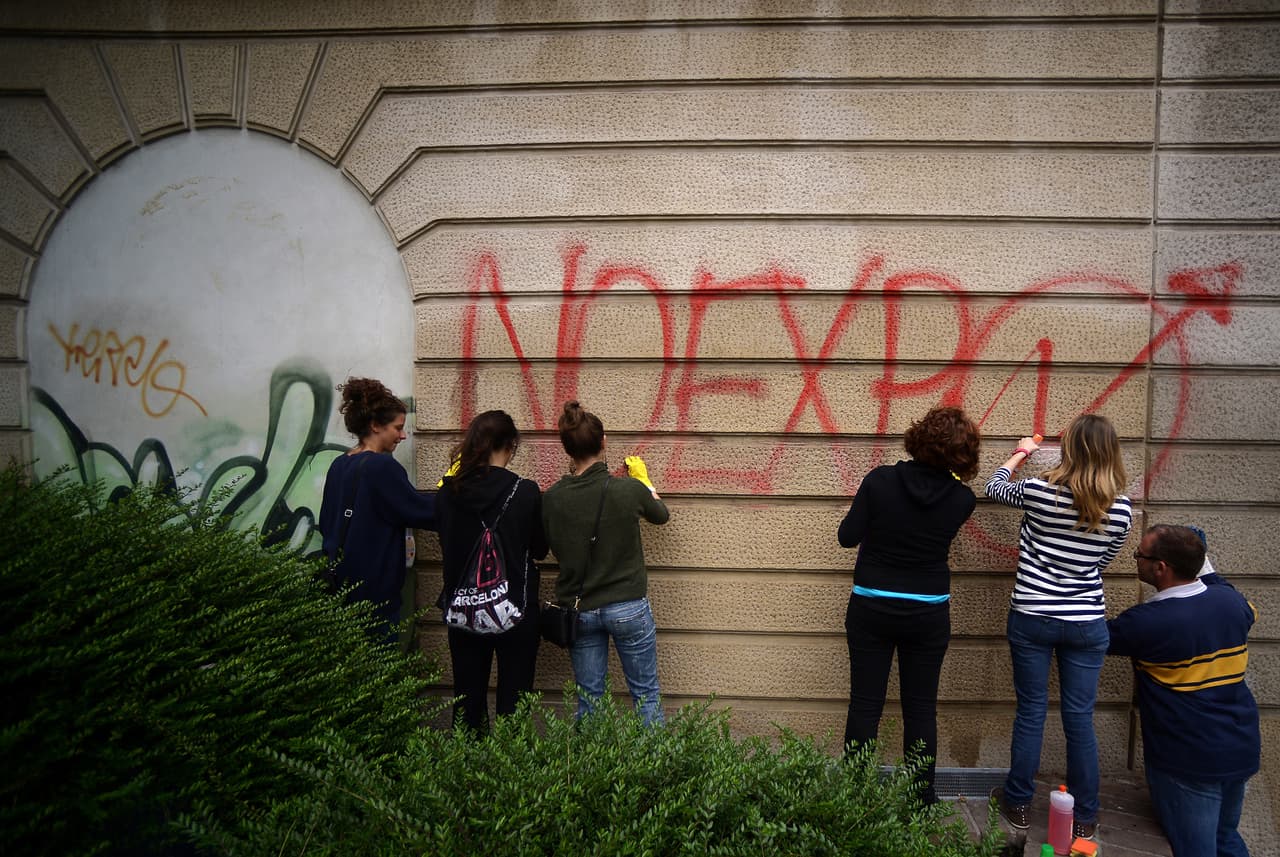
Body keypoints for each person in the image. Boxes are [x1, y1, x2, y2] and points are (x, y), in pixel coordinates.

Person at [985, 414, 1133, 842]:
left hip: (1032, 616)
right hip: (1086, 622)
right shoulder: (1120, 508)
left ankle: (1018, 804)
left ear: (1071, 450)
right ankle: (1086, 816)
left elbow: (994, 487)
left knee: (1031, 712)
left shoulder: (1038, 490)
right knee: (1079, 720)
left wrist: (1020, 452)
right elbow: (1101, 566)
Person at [838, 405, 980, 804]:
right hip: (928, 613)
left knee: (865, 704)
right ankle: (920, 800)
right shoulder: (962, 499)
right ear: (963, 454)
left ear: (918, 437)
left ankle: (853, 797)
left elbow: (847, 537)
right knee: (921, 709)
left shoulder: (880, 481)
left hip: (871, 607)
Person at [1107, 525, 1259, 857]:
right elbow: (1220, 584)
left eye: (1139, 555)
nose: (1135, 560)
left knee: (1196, 849)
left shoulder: (1146, 622)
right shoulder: (1233, 603)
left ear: (1160, 568)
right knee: (1226, 838)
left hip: (1188, 759)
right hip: (1240, 747)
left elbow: (1092, 636)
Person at [542, 400, 669, 726]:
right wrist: (645, 483)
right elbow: (660, 515)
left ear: (567, 449)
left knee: (590, 698)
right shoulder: (628, 490)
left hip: (580, 609)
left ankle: (591, 773)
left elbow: (548, 547)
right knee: (646, 694)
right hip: (628, 606)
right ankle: (654, 772)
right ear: (603, 442)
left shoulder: (552, 498)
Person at [436, 410, 547, 733]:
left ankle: (468, 772)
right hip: (516, 609)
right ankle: (509, 775)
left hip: (464, 611)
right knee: (515, 702)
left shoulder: (448, 492)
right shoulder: (525, 491)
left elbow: (446, 541)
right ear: (510, 446)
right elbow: (539, 548)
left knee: (466, 702)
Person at [319, 378, 436, 643]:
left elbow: (326, 521)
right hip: (374, 594)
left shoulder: (340, 464)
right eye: (398, 428)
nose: (403, 435)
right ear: (375, 426)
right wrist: (461, 495)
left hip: (342, 588)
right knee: (379, 668)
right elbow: (420, 511)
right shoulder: (381, 467)